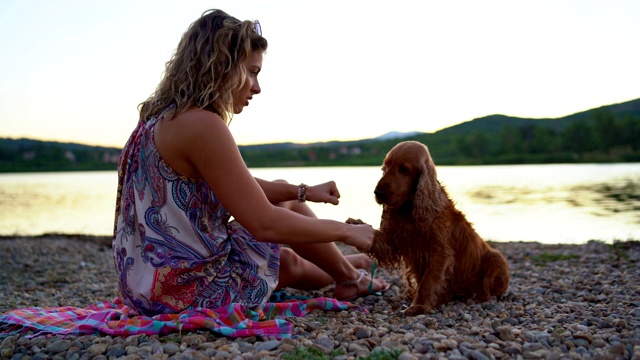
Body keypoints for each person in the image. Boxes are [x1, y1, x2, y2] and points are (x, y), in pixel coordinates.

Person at [112, 9, 388, 316]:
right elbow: (264, 223)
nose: (257, 87)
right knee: (286, 261)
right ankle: (350, 275)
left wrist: (303, 191)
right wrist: (347, 232)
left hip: (143, 286)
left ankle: (347, 270)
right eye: (252, 72)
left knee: (285, 196)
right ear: (222, 67)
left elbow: (233, 186)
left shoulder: (157, 120)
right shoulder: (203, 125)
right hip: (185, 291)